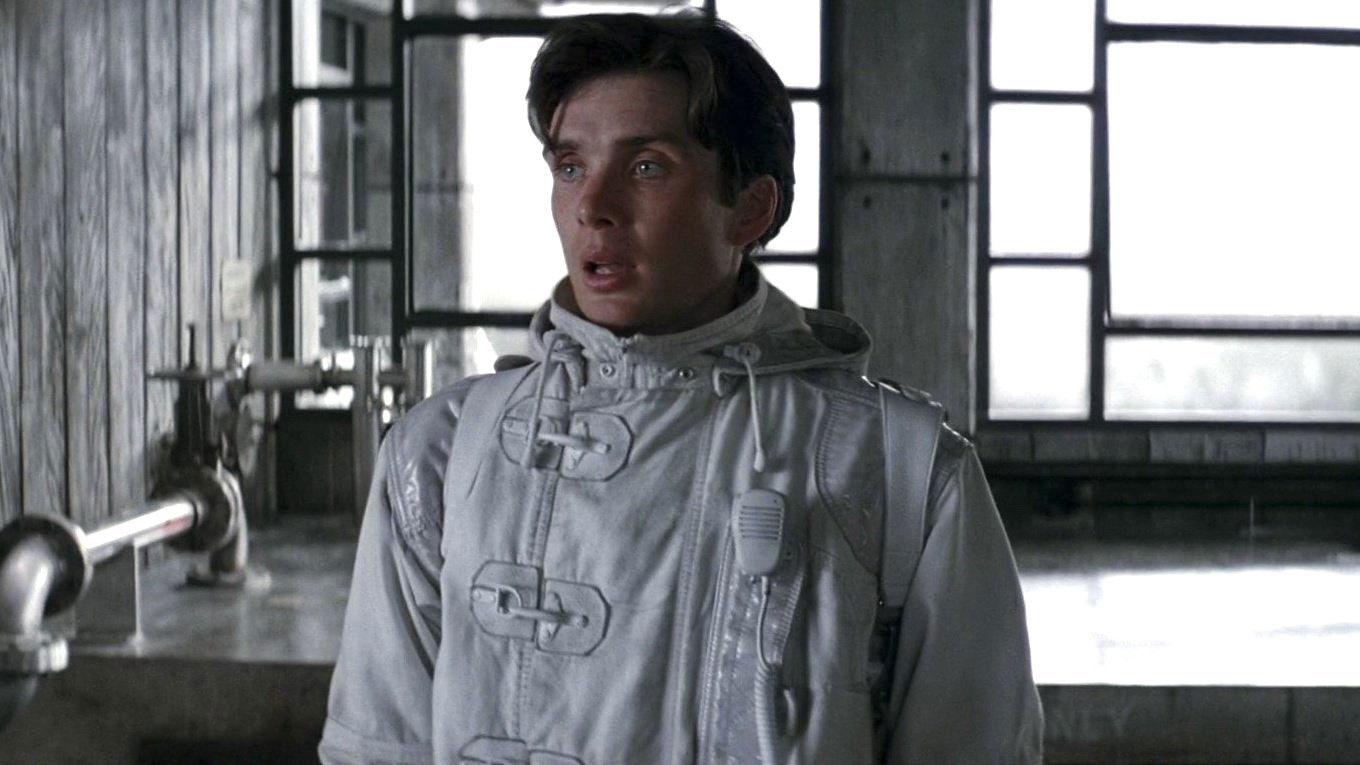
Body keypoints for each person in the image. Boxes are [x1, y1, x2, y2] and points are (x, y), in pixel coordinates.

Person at [320, 12, 1042, 764]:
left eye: (646, 167)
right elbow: (378, 749)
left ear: (750, 209)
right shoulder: (439, 456)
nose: (592, 205)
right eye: (570, 167)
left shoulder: (900, 469)